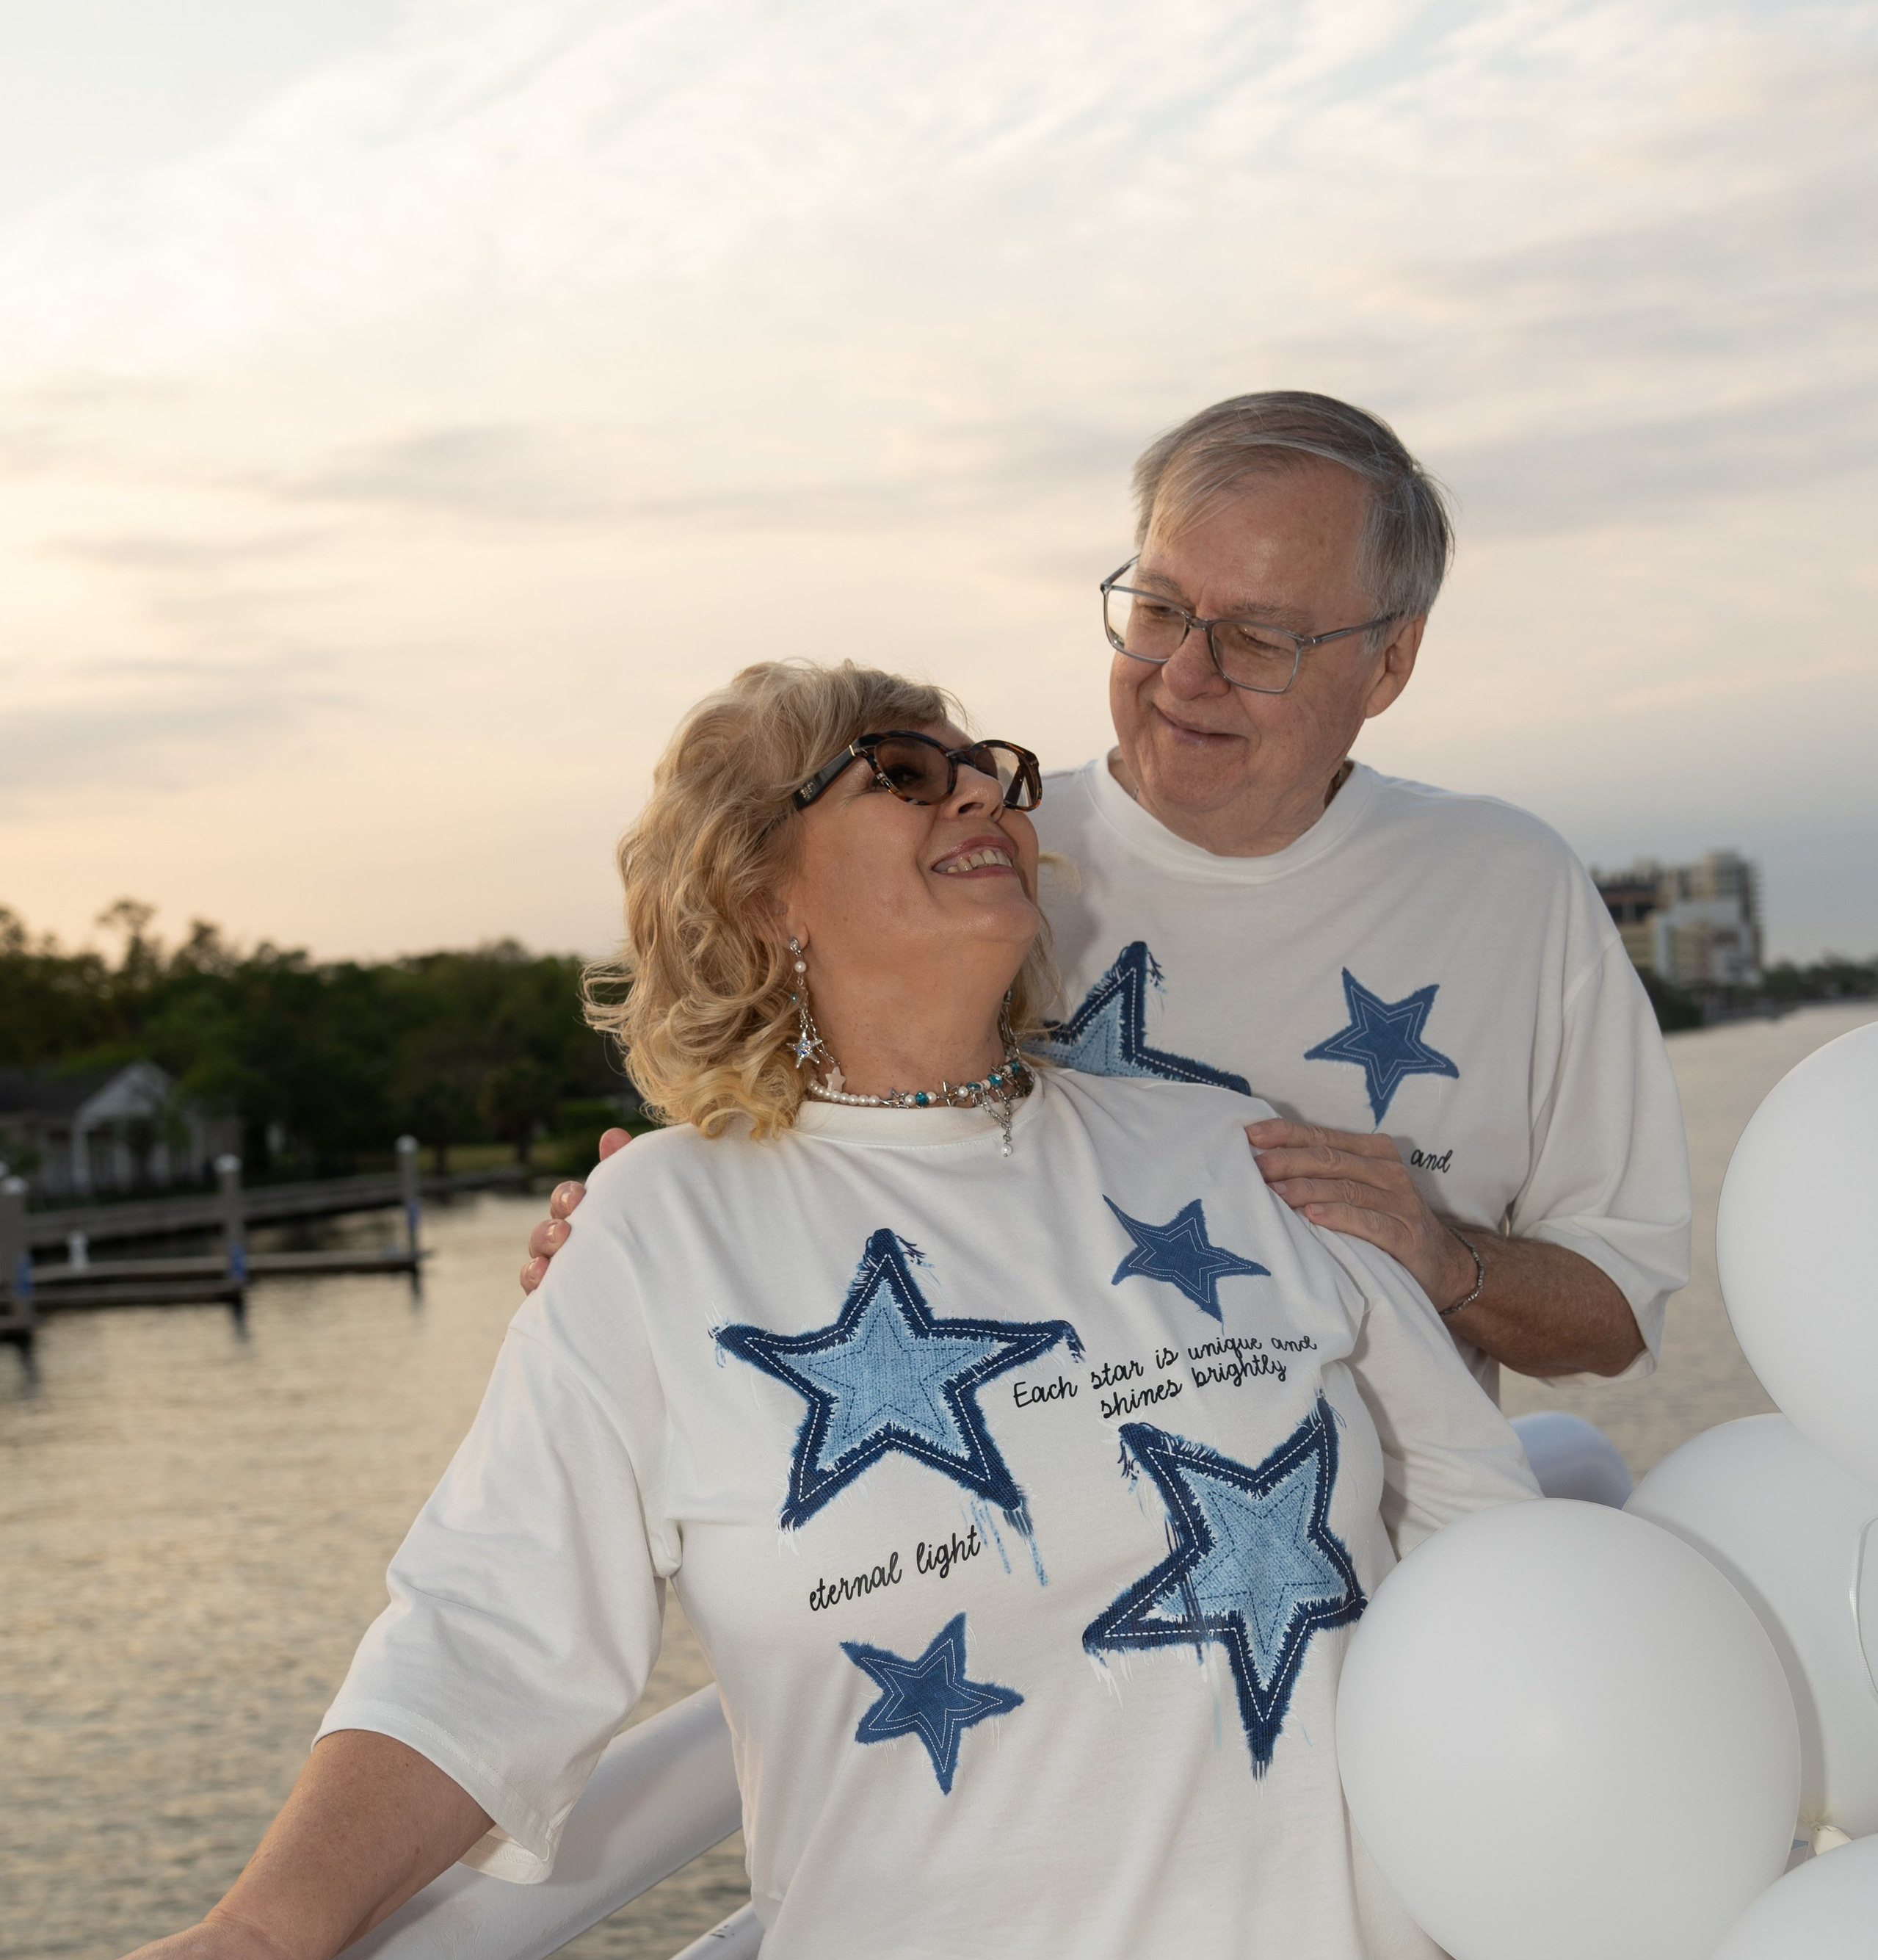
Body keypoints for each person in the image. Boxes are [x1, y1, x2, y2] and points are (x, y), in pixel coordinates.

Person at [0, 660, 1538, 1960]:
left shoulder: (1224, 1152)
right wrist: (252, 1942)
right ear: (756, 891)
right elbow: (487, 1639)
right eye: (898, 769)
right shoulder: (657, 1241)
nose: (983, 789)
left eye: (983, 760)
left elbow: (1489, 1554)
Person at [526, 396, 1692, 1397]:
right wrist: (631, 1243)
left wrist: (1442, 1259)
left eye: (1260, 637)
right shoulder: (974, 876)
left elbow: (1616, 1317)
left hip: (1410, 1600)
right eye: (1159, 610)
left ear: (1389, 662)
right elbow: (793, 1151)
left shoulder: (1509, 886)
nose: (1187, 675)